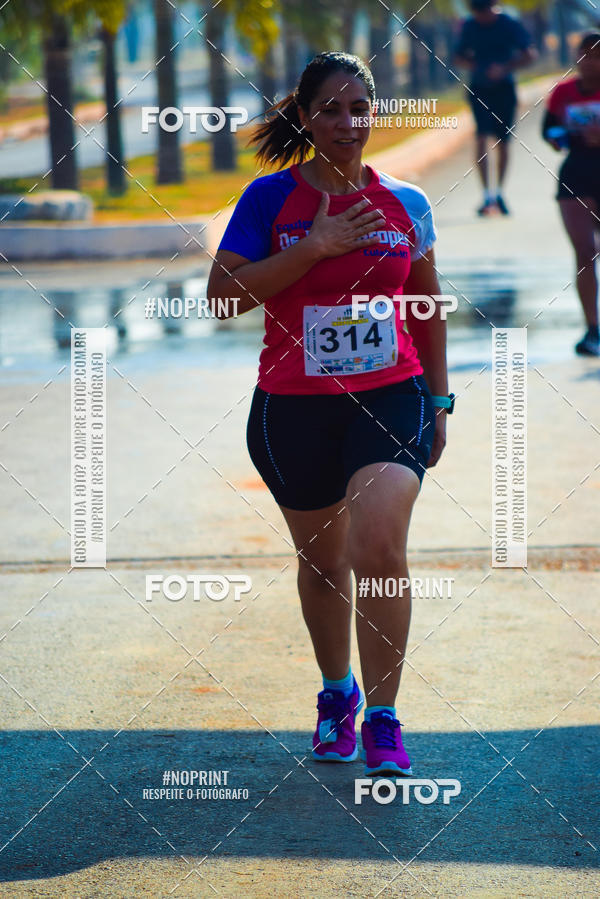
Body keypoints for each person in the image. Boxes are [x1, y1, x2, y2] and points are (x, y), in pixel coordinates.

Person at [207, 51, 452, 777]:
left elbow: (427, 307)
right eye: (331, 110)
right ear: (306, 117)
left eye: (359, 109)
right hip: (293, 409)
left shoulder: (406, 203)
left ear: (374, 114)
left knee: (379, 546)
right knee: (323, 563)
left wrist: (440, 400)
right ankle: (337, 694)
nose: (348, 123)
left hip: (389, 396)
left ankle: (383, 716)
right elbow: (224, 297)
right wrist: (314, 248)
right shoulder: (268, 201)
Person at [542, 33, 600, 357]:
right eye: (584, 55)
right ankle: (592, 329)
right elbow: (548, 130)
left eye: (597, 56)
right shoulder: (564, 92)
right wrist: (560, 137)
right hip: (576, 175)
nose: (589, 62)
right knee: (584, 253)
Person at [454, 0, 536, 216]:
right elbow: (458, 56)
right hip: (479, 89)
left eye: (485, 11)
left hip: (505, 90)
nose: (482, 16)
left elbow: (529, 55)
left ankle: (499, 192)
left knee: (503, 141)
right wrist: (479, 67)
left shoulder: (508, 23)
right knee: (481, 137)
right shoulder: (470, 25)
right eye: (478, 12)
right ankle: (487, 195)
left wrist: (504, 68)